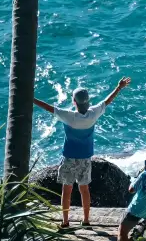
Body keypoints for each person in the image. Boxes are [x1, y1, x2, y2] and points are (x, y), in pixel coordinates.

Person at [33, 77, 131, 227]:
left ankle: (65, 222)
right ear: (88, 102)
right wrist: (119, 87)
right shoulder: (93, 114)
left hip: (69, 159)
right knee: (84, 190)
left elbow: (48, 107)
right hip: (85, 159)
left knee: (67, 191)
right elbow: (107, 101)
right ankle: (86, 220)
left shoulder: (69, 116)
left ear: (74, 102)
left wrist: (31, 98)